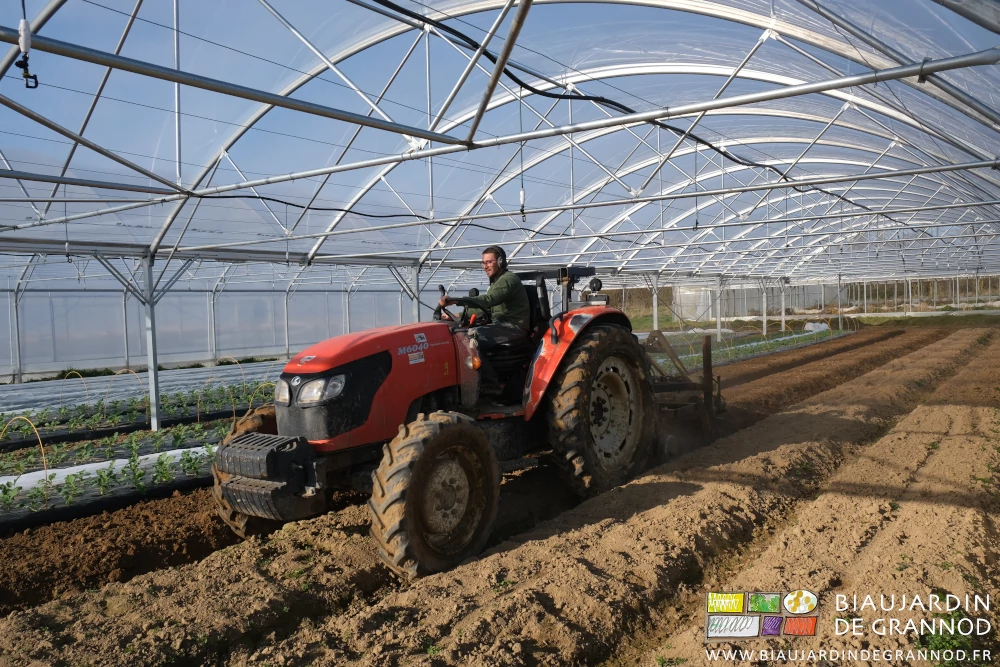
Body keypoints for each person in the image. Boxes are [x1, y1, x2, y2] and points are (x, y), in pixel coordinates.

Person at [438, 246, 531, 392]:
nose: (485, 266)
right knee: (462, 335)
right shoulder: (496, 282)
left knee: (469, 339)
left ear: (501, 261)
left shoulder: (508, 279)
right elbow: (487, 308)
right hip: (500, 325)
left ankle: (490, 387)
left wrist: (457, 301)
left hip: (512, 327)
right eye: (483, 263)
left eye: (489, 262)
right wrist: (456, 316)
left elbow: (488, 300)